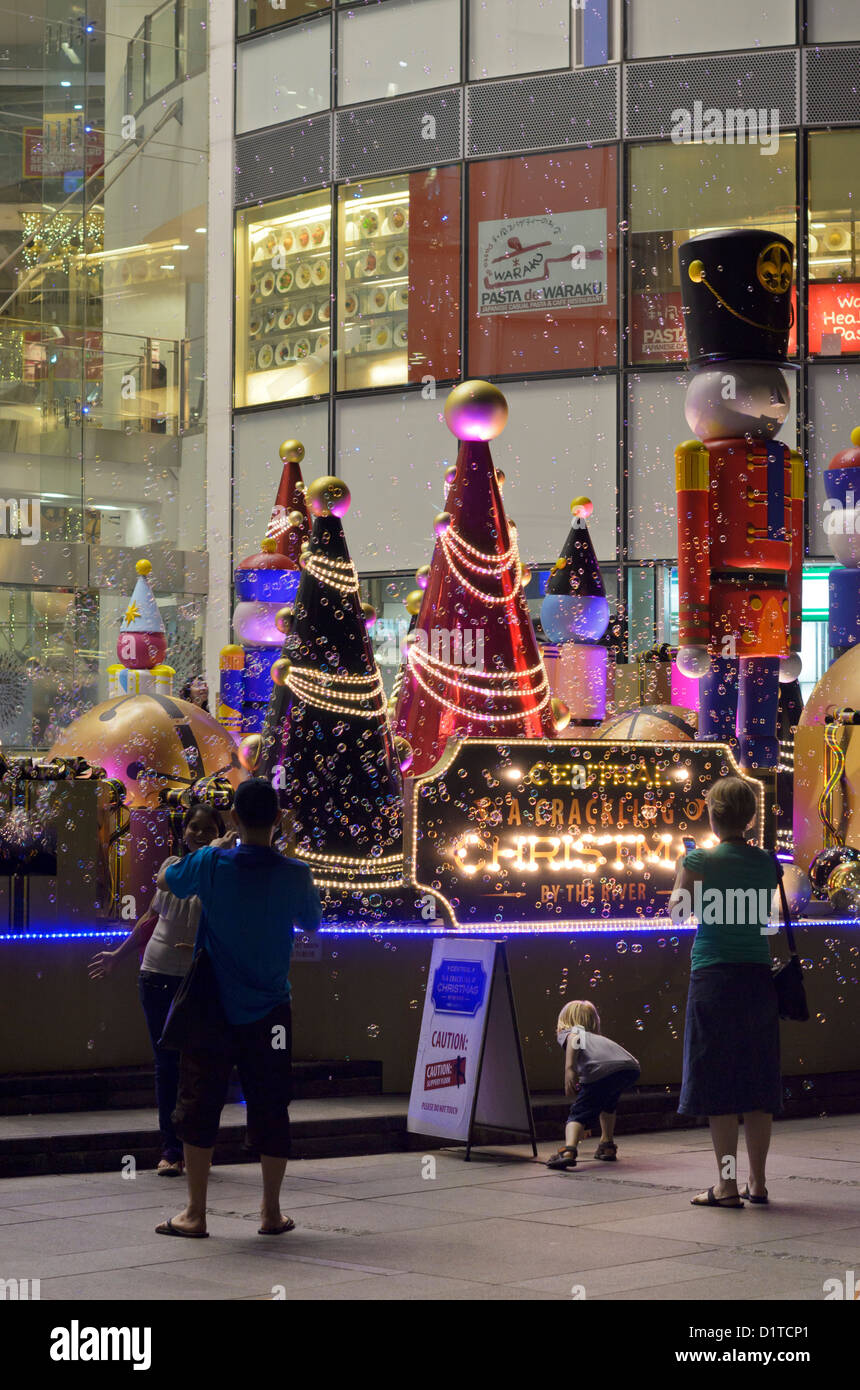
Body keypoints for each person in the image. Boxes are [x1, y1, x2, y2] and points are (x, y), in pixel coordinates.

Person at [154, 777, 322, 1239]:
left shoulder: (210, 862)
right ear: (278, 818)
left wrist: (220, 846)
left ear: (233, 817)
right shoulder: (295, 873)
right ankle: (270, 1213)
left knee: (199, 1101)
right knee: (271, 1104)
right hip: (271, 1012)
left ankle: (195, 1213)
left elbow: (166, 878)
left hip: (211, 1007)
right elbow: (310, 921)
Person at [89, 804, 225, 1176]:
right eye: (193, 828)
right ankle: (170, 1150)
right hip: (157, 975)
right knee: (167, 1065)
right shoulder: (171, 867)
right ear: (183, 833)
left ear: (220, 832)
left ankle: (195, 1146)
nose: (199, 834)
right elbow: (151, 919)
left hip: (198, 979)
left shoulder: (224, 874)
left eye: (208, 828)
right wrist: (118, 955)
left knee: (199, 1066)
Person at [671, 775, 780, 1209]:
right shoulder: (768, 861)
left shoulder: (699, 860)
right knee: (757, 1082)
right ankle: (758, 1183)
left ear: (713, 816)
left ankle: (727, 1185)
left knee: (718, 1083)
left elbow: (679, 914)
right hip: (757, 977)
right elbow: (763, 919)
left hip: (713, 977)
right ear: (751, 818)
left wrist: (686, 871)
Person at [546, 1000, 640, 1170]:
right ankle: (607, 1146)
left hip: (601, 1071)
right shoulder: (596, 1038)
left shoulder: (572, 1031)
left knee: (579, 1112)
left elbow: (575, 1038)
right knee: (607, 1105)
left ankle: (568, 1151)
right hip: (630, 1068)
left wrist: (569, 1069)